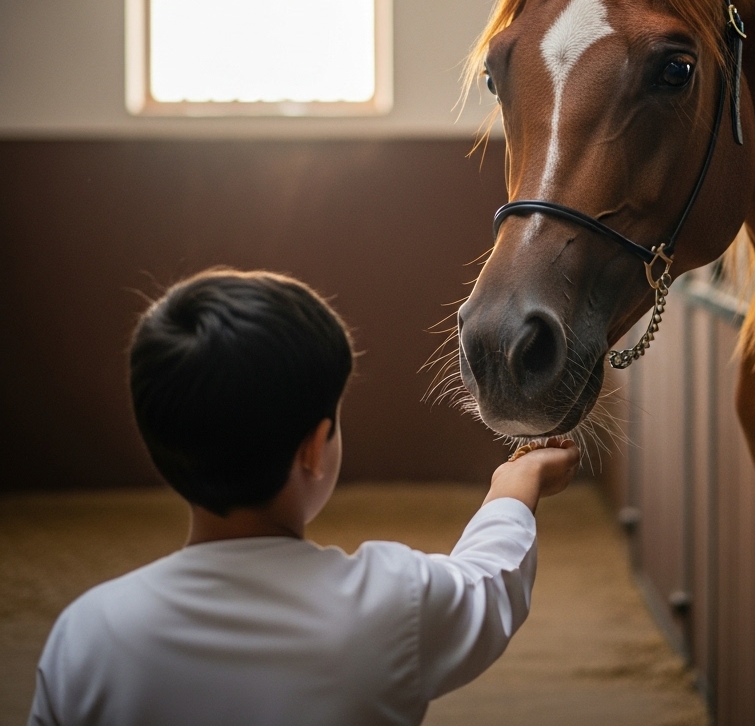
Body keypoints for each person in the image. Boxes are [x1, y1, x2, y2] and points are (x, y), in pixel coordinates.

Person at [29, 269, 579, 726]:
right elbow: (490, 583)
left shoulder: (87, 634)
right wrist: (514, 486)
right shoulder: (393, 602)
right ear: (315, 448)